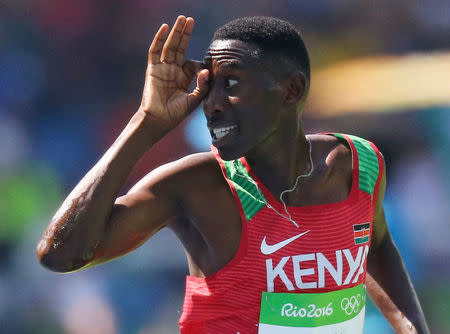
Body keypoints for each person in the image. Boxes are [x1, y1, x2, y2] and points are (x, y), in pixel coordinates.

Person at [36, 15, 430, 334]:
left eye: (232, 84)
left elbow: (376, 248)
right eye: (210, 87)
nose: (213, 105)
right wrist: (147, 124)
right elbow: (60, 255)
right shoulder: (198, 186)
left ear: (291, 90)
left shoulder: (358, 165)